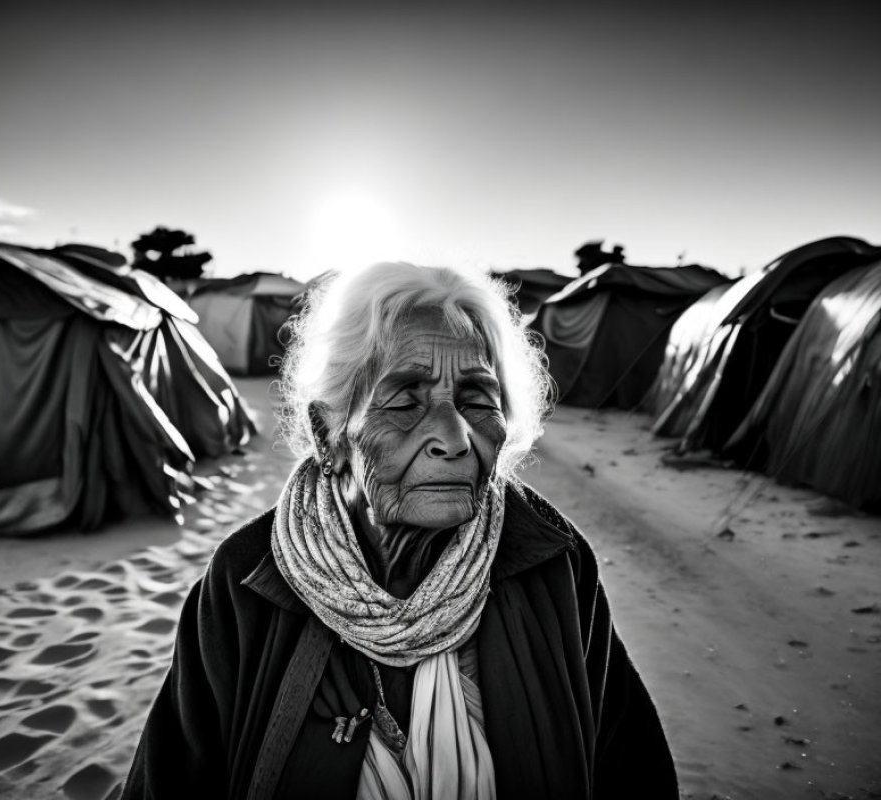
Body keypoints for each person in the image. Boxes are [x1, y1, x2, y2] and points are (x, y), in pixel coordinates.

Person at [121, 262, 678, 799]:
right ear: (329, 434)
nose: (454, 439)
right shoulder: (246, 581)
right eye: (406, 400)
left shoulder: (550, 559)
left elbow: (629, 769)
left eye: (476, 399)